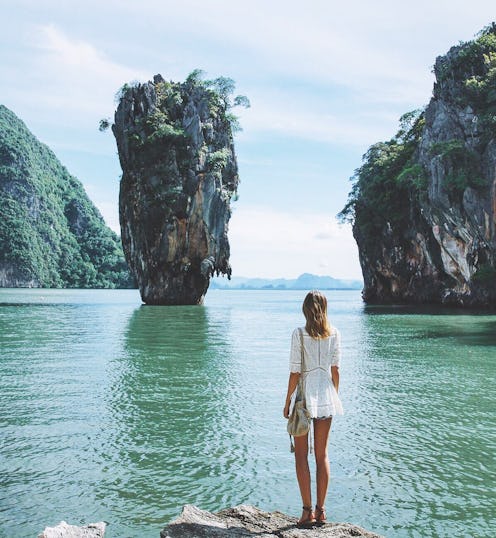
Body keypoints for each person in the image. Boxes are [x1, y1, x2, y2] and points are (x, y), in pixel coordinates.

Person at [283, 290, 343, 527]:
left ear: (305, 310)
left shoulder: (299, 334)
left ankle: (307, 512)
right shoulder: (335, 333)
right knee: (322, 455)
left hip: (305, 397)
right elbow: (336, 370)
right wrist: (333, 395)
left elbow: (295, 371)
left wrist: (287, 400)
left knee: (301, 456)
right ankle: (321, 511)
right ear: (324, 309)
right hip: (326, 395)